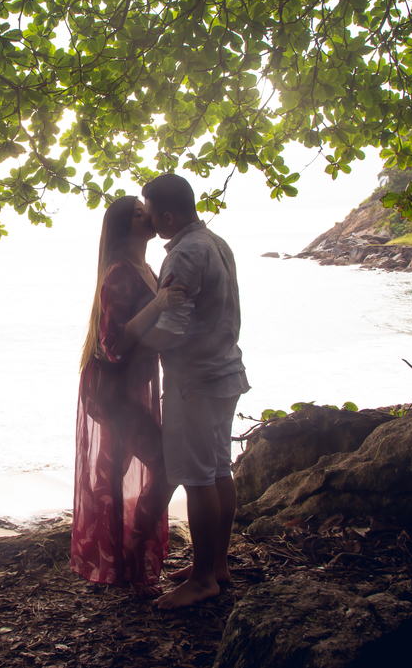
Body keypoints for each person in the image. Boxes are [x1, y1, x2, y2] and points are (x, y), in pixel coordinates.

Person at [139, 173, 250, 610]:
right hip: (225, 371)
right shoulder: (216, 242)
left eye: (151, 214)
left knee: (198, 478)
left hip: (195, 382)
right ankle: (216, 564)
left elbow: (171, 331)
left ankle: (204, 578)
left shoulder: (184, 254)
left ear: (168, 215)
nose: (149, 221)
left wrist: (129, 345)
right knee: (219, 470)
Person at [71, 195, 186, 596]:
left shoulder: (145, 267)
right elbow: (113, 345)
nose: (148, 216)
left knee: (112, 474)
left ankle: (118, 566)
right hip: (112, 390)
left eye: (146, 210)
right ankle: (133, 566)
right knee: (160, 468)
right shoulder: (120, 273)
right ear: (126, 228)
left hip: (125, 387)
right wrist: (158, 304)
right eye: (139, 214)